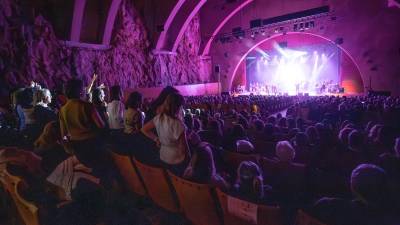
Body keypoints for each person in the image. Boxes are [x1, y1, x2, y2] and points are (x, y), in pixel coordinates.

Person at [59, 79, 109, 179]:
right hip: (93, 146)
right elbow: (101, 125)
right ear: (79, 90)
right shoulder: (87, 106)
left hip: (77, 148)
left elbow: (64, 135)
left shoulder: (63, 110)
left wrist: (68, 149)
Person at [141, 92, 190, 175]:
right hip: (176, 162)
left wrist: (156, 139)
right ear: (178, 107)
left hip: (163, 157)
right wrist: (190, 163)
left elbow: (144, 129)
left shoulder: (159, 118)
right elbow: (184, 150)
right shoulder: (178, 124)